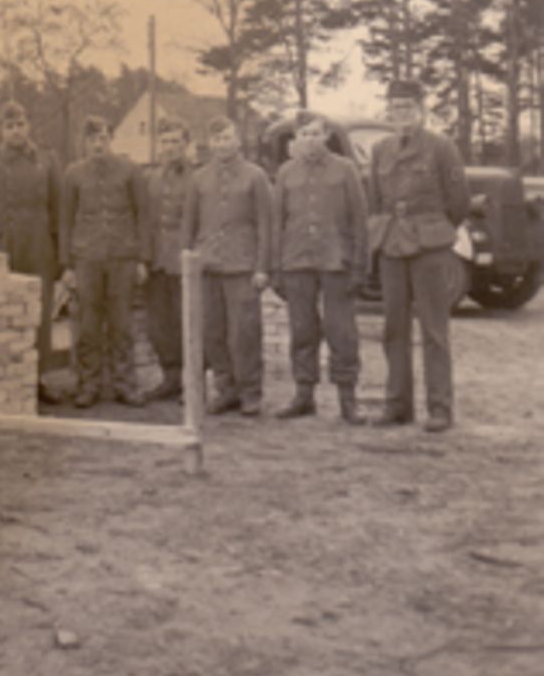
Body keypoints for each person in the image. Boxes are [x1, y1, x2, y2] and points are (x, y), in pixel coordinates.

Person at [368, 79, 470, 433]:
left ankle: (440, 408)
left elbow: (458, 201)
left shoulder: (442, 147)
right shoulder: (381, 149)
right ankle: (398, 405)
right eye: (396, 107)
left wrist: (435, 231)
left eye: (408, 107)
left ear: (421, 110)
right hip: (392, 246)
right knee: (393, 328)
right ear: (389, 111)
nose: (402, 114)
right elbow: (374, 200)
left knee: (434, 330)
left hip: (429, 247)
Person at [271, 111, 369, 425]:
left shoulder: (345, 170)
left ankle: (347, 398)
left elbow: (359, 221)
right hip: (297, 260)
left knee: (342, 331)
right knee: (302, 329)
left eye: (315, 133)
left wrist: (359, 267)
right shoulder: (285, 173)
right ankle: (303, 394)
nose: (310, 140)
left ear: (326, 136)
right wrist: (277, 268)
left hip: (335, 260)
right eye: (303, 134)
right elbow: (277, 223)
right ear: (296, 139)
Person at [0, 100, 63, 404]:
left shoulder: (47, 160)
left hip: (39, 246)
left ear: (28, 126)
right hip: (3, 246)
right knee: (3, 311)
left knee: (39, 313)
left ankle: (37, 379)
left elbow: (58, 210)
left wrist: (61, 255)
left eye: (20, 124)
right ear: (1, 130)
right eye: (9, 126)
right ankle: (3, 378)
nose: (16, 131)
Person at [181, 114, 272, 417]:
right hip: (208, 266)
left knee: (244, 332)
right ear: (209, 143)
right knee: (213, 332)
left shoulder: (255, 176)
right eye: (217, 139)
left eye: (227, 138)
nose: (222, 144)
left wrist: (261, 267)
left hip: (242, 266)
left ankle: (250, 392)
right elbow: (189, 224)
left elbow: (265, 225)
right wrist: (189, 261)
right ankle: (226, 388)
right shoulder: (199, 178)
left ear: (238, 140)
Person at [60, 115, 150, 408]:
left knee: (122, 324)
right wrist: (68, 265)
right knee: (88, 325)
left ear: (110, 139)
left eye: (102, 137)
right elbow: (65, 222)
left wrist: (141, 259)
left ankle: (125, 383)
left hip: (122, 258)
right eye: (91, 138)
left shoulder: (130, 171)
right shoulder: (73, 174)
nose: (98, 143)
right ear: (84, 144)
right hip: (87, 259)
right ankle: (89, 383)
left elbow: (142, 217)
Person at [143, 117, 194, 400]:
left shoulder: (197, 177)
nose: (170, 147)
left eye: (175, 141)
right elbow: (146, 220)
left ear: (186, 145)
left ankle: (192, 382)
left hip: (184, 260)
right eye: (165, 142)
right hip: (157, 260)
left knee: (185, 321)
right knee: (159, 324)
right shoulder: (150, 177)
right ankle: (170, 378)